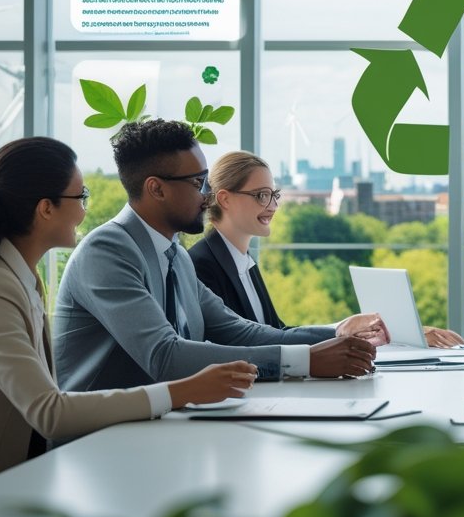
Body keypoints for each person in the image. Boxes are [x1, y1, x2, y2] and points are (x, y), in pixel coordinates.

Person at [0, 137, 257, 517]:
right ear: (45, 209)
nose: (84, 212)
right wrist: (180, 391)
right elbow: (48, 411)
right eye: (80, 197)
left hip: (5, 484)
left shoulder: (18, 276)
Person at [53, 120, 378, 391]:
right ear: (157, 189)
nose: (208, 195)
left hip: (160, 429)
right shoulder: (107, 251)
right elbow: (165, 356)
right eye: (199, 183)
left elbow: (242, 331)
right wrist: (305, 362)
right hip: (98, 444)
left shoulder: (175, 256)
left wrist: (338, 333)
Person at [189, 150, 464, 347]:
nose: (273, 206)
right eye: (262, 195)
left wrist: (353, 329)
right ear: (224, 199)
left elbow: (277, 332)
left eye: (275, 195)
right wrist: (340, 331)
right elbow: (249, 343)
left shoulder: (243, 263)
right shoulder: (202, 265)